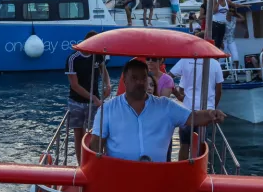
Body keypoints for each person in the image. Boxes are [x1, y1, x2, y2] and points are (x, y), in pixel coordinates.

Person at [92, 59, 225, 163]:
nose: (139, 82)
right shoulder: (107, 109)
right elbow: (95, 148)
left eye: (143, 78)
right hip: (118, 177)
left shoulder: (165, 106)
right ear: (125, 80)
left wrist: (210, 114)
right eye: (134, 78)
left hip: (159, 178)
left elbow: (192, 117)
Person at [66, 31, 112, 153]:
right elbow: (75, 85)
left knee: (93, 133)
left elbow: (104, 70)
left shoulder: (97, 55)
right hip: (77, 101)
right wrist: (93, 98)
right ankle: (80, 161)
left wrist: (108, 84)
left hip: (94, 101)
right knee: (78, 133)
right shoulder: (73, 59)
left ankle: (91, 158)